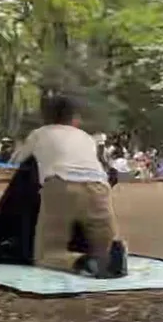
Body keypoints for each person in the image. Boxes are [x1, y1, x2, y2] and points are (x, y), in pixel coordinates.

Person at [11, 95, 126, 278]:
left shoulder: (39, 134)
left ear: (45, 117)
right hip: (99, 187)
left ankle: (84, 262)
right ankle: (111, 253)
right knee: (104, 243)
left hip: (61, 186)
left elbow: (17, 160)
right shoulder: (86, 138)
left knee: (47, 253)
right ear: (75, 118)